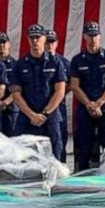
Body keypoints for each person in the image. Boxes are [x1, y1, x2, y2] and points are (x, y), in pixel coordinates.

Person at [69, 22, 105, 170]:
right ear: (85, 36)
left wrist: (98, 103)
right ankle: (82, 177)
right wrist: (89, 105)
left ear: (100, 36)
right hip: (85, 109)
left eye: (95, 35)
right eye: (90, 35)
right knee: (83, 147)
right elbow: (74, 86)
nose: (93, 39)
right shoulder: (77, 60)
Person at [11, 24, 68, 160]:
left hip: (50, 117)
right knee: (24, 157)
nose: (35, 41)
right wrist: (32, 115)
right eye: (32, 38)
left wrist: (44, 114)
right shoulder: (20, 64)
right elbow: (16, 93)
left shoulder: (56, 63)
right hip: (27, 119)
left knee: (55, 156)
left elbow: (60, 91)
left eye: (38, 37)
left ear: (44, 39)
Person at [46, 30, 71, 162]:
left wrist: (60, 93)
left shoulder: (64, 62)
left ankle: (61, 166)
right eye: (47, 41)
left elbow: (73, 83)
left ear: (57, 43)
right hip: (41, 106)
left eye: (52, 42)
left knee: (60, 138)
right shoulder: (39, 61)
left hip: (59, 107)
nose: (49, 45)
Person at [0, 32, 20, 137]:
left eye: (4, 42)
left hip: (11, 109)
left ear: (9, 44)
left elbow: (19, 88)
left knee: (12, 141)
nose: (1, 46)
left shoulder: (16, 65)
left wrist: (5, 102)